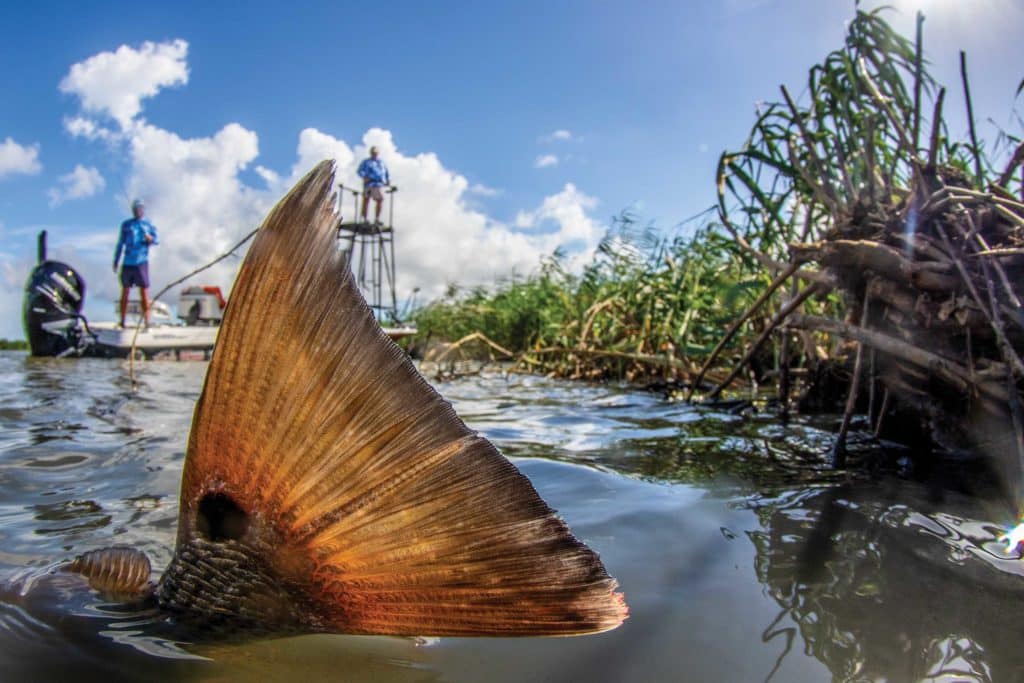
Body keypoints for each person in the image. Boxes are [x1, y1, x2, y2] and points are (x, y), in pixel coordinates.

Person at [113, 198, 158, 327]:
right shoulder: (126, 225)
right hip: (128, 262)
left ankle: (147, 321)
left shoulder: (148, 224)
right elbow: (120, 244)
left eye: (140, 208)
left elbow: (156, 240)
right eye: (136, 209)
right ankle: (122, 321)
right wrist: (116, 260)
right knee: (125, 291)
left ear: (143, 210)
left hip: (141, 262)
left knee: (144, 291)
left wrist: (150, 239)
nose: (138, 211)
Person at [357, 146, 390, 223]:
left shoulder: (381, 163)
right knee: (366, 200)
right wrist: (365, 177)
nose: (374, 154)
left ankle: (377, 219)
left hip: (379, 184)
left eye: (375, 153)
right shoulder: (366, 162)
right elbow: (360, 171)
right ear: (371, 153)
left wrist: (387, 180)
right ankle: (364, 219)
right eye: (373, 153)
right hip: (369, 184)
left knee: (380, 200)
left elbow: (386, 173)